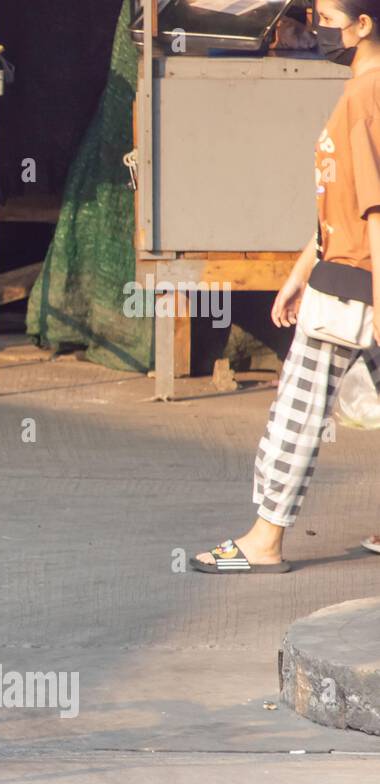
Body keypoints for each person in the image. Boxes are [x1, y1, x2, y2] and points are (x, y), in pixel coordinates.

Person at [191, 0, 380, 573]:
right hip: (342, 272)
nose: (314, 24)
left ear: (363, 25)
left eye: (325, 14)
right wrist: (302, 270)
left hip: (355, 286)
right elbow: (342, 204)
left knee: (296, 415)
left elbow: (375, 210)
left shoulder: (365, 95)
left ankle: (264, 540)